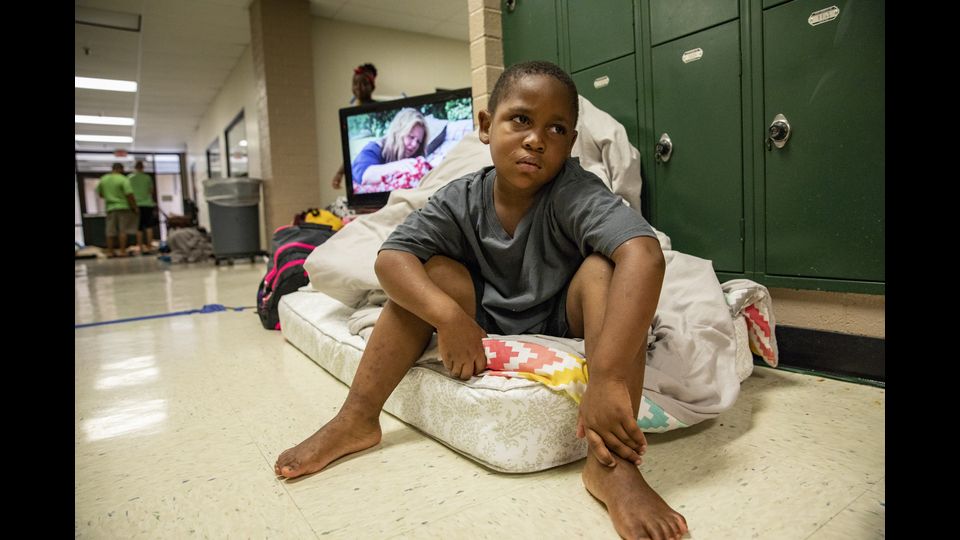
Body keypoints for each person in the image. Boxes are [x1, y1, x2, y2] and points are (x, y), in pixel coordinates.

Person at [275, 61, 688, 540]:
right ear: (486, 127)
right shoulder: (460, 198)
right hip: (481, 313)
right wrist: (449, 318)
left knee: (604, 271)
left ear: (571, 144)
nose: (537, 139)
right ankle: (356, 420)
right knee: (434, 275)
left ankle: (611, 466)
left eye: (556, 128)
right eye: (520, 120)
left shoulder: (574, 191)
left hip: (564, 313)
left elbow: (645, 256)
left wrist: (609, 380)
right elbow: (391, 259)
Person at [349, 108, 428, 189]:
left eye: (418, 141)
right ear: (398, 132)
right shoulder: (375, 148)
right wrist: (399, 166)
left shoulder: (416, 156)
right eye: (411, 137)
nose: (414, 144)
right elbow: (364, 175)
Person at [332, 63, 379, 189]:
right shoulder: (352, 114)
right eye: (355, 83)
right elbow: (349, 150)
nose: (359, 87)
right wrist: (340, 173)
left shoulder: (377, 111)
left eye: (364, 83)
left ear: (372, 86)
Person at [96, 162, 139, 258]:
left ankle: (110, 252)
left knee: (110, 231)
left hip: (110, 207)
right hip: (123, 207)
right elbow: (129, 195)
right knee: (122, 230)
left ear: (112, 169)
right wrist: (134, 207)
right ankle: (122, 251)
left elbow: (100, 194)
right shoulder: (123, 179)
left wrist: (110, 196)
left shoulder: (103, 179)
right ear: (121, 169)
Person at [127, 160, 158, 254]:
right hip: (148, 204)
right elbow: (150, 191)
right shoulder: (147, 178)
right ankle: (149, 246)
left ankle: (140, 247)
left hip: (136, 205)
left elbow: (128, 192)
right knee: (149, 226)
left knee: (138, 227)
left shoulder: (129, 178)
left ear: (135, 168)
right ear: (143, 167)